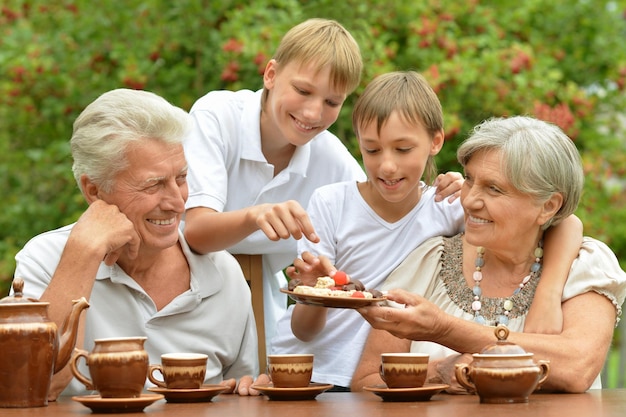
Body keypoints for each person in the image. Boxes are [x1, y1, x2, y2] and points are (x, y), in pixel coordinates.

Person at [271, 73, 583, 390]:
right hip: (308, 373)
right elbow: (304, 331)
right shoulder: (331, 203)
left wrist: (548, 292)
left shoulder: (446, 207)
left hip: (375, 376)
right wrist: (312, 296)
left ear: (436, 142)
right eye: (372, 150)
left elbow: (566, 222)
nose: (387, 166)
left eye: (403, 149)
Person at [182, 18, 464, 348]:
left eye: (332, 102)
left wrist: (459, 190)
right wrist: (253, 216)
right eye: (302, 91)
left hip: (260, 311)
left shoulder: (329, 156)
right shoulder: (217, 116)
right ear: (270, 74)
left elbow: (384, 198)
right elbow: (195, 232)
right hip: (185, 291)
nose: (314, 114)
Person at [13, 89, 260, 399]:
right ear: (94, 190)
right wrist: (85, 252)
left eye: (181, 178)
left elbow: (242, 390)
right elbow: (30, 387)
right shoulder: (46, 259)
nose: (176, 202)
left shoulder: (222, 271)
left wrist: (249, 389)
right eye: (153, 184)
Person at [352, 116, 626, 393]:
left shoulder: (584, 265)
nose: (469, 201)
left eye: (494, 189)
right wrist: (439, 372)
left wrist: (443, 329)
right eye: (470, 180)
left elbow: (576, 368)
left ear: (548, 206)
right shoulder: (431, 262)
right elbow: (365, 383)